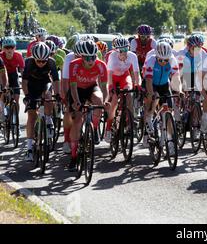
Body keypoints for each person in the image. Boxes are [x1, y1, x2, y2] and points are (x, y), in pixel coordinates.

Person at [68, 40, 110, 171]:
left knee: (99, 100)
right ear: (82, 57)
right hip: (77, 91)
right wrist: (76, 102)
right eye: (87, 58)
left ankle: (95, 128)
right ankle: (74, 157)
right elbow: (73, 87)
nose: (91, 60)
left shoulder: (101, 65)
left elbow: (104, 88)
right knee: (77, 120)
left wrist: (105, 102)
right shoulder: (74, 65)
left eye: (93, 56)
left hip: (92, 87)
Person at [22, 43, 60, 162]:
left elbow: (55, 81)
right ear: (34, 58)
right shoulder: (28, 62)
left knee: (49, 95)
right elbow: (24, 82)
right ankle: (29, 149)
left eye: (44, 61)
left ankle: (48, 121)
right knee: (32, 116)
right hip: (32, 86)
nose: (41, 63)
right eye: (38, 61)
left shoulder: (51, 62)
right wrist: (27, 96)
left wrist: (58, 94)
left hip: (44, 83)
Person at [142, 42, 181, 154]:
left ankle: (170, 142)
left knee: (168, 111)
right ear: (157, 57)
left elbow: (176, 78)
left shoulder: (172, 60)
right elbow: (148, 80)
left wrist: (179, 91)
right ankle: (148, 119)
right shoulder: (151, 61)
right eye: (161, 60)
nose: (163, 62)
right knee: (153, 98)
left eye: (166, 60)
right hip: (151, 83)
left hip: (164, 84)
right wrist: (151, 93)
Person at [104, 38, 141, 143]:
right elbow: (109, 73)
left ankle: (129, 122)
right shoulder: (112, 56)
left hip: (124, 76)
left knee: (129, 94)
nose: (124, 52)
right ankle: (108, 128)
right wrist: (111, 86)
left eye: (126, 49)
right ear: (116, 50)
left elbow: (136, 72)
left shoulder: (132, 56)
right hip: (113, 78)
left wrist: (137, 84)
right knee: (114, 101)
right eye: (121, 50)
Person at [0, 37, 24, 113]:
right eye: (7, 47)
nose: (9, 50)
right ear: (3, 48)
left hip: (13, 75)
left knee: (16, 99)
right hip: (2, 74)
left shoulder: (18, 56)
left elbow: (22, 71)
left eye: (11, 47)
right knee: (3, 93)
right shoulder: (0, 56)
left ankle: (15, 120)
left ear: (15, 48)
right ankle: (2, 113)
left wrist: (24, 83)